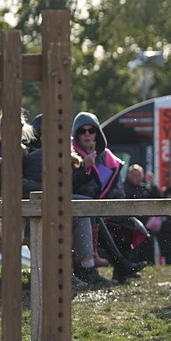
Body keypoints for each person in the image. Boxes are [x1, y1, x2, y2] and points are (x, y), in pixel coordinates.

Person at [70, 112, 144, 285]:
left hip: (103, 209)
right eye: (82, 131)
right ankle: (118, 264)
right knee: (93, 213)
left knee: (129, 224)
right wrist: (84, 167)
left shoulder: (107, 158)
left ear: (97, 134)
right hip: (82, 210)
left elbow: (116, 189)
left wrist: (113, 206)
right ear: (76, 134)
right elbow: (71, 187)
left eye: (91, 130)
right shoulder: (71, 156)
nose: (87, 134)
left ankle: (121, 269)